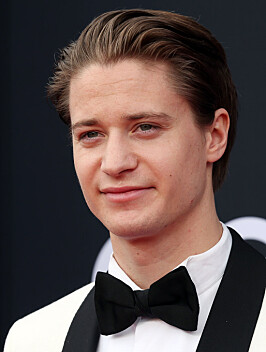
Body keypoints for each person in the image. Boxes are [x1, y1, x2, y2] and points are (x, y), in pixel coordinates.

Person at [4, 9, 265, 352]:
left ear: (214, 135)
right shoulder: (35, 338)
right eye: (91, 134)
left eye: (145, 128)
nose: (114, 163)